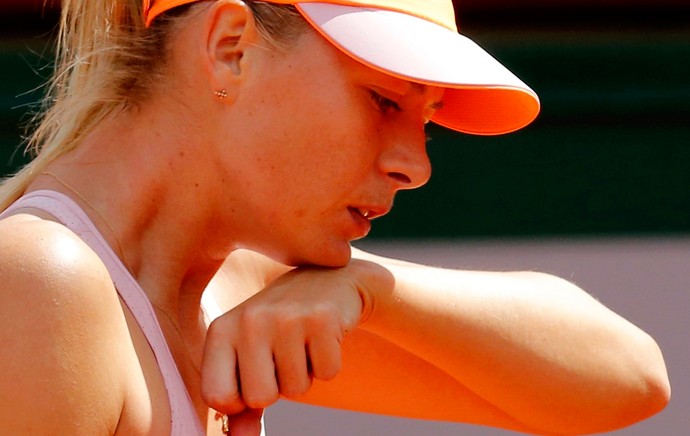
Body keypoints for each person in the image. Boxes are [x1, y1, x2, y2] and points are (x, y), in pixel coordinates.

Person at [0, 0, 670, 435]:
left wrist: (368, 292)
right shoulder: (42, 284)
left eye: (427, 118)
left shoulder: (229, 292)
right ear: (231, 46)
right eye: (384, 101)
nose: (417, 165)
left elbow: (631, 379)